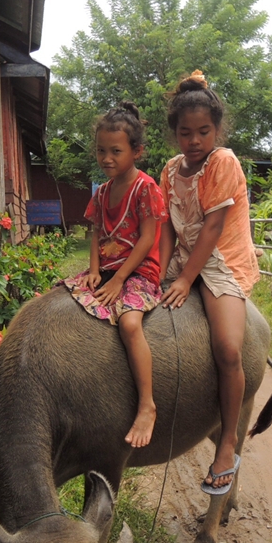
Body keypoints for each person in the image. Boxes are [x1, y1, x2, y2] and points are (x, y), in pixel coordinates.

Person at [159, 70, 260, 495]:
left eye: (204, 131)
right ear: (175, 135)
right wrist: (159, 272)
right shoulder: (170, 170)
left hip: (221, 261)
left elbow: (214, 227)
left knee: (228, 348)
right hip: (184, 256)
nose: (195, 140)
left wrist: (185, 280)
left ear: (217, 130)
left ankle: (228, 441)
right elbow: (167, 226)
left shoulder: (223, 163)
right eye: (186, 133)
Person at [62, 101, 168, 448]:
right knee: (59, 299)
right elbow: (94, 232)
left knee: (129, 324)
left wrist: (120, 279)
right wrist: (94, 271)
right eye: (101, 151)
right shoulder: (103, 191)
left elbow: (149, 239)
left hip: (139, 271)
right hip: (107, 268)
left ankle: (147, 404)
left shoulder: (145, 188)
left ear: (136, 151)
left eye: (116, 151)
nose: (107, 158)